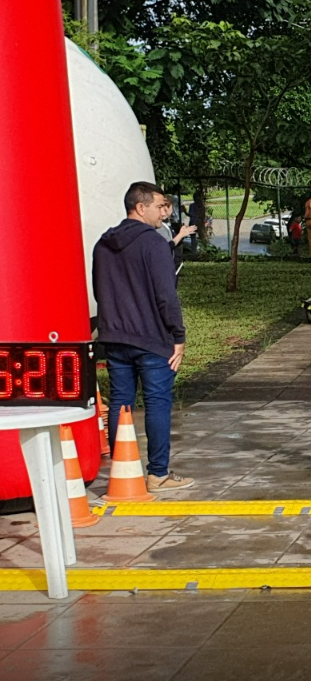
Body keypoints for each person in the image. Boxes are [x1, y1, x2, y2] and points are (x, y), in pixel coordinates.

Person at [92, 182, 192, 492]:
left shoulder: (102, 244)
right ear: (140, 207)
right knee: (157, 403)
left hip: (115, 337)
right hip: (152, 339)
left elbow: (99, 291)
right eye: (160, 206)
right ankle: (158, 474)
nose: (164, 213)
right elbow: (166, 296)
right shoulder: (154, 244)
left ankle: (123, 472)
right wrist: (178, 336)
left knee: (121, 404)